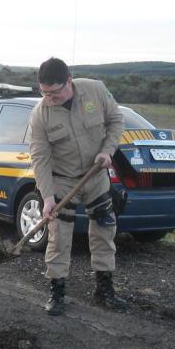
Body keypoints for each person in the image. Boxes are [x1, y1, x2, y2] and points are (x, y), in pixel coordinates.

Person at [29, 57, 128, 315]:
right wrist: (48, 197)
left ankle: (104, 289)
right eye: (44, 92)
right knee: (59, 236)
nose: (50, 98)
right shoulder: (40, 114)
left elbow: (116, 121)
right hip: (62, 178)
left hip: (95, 175)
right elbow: (40, 157)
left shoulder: (95, 90)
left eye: (55, 92)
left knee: (105, 230)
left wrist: (108, 151)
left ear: (69, 82)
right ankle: (57, 291)